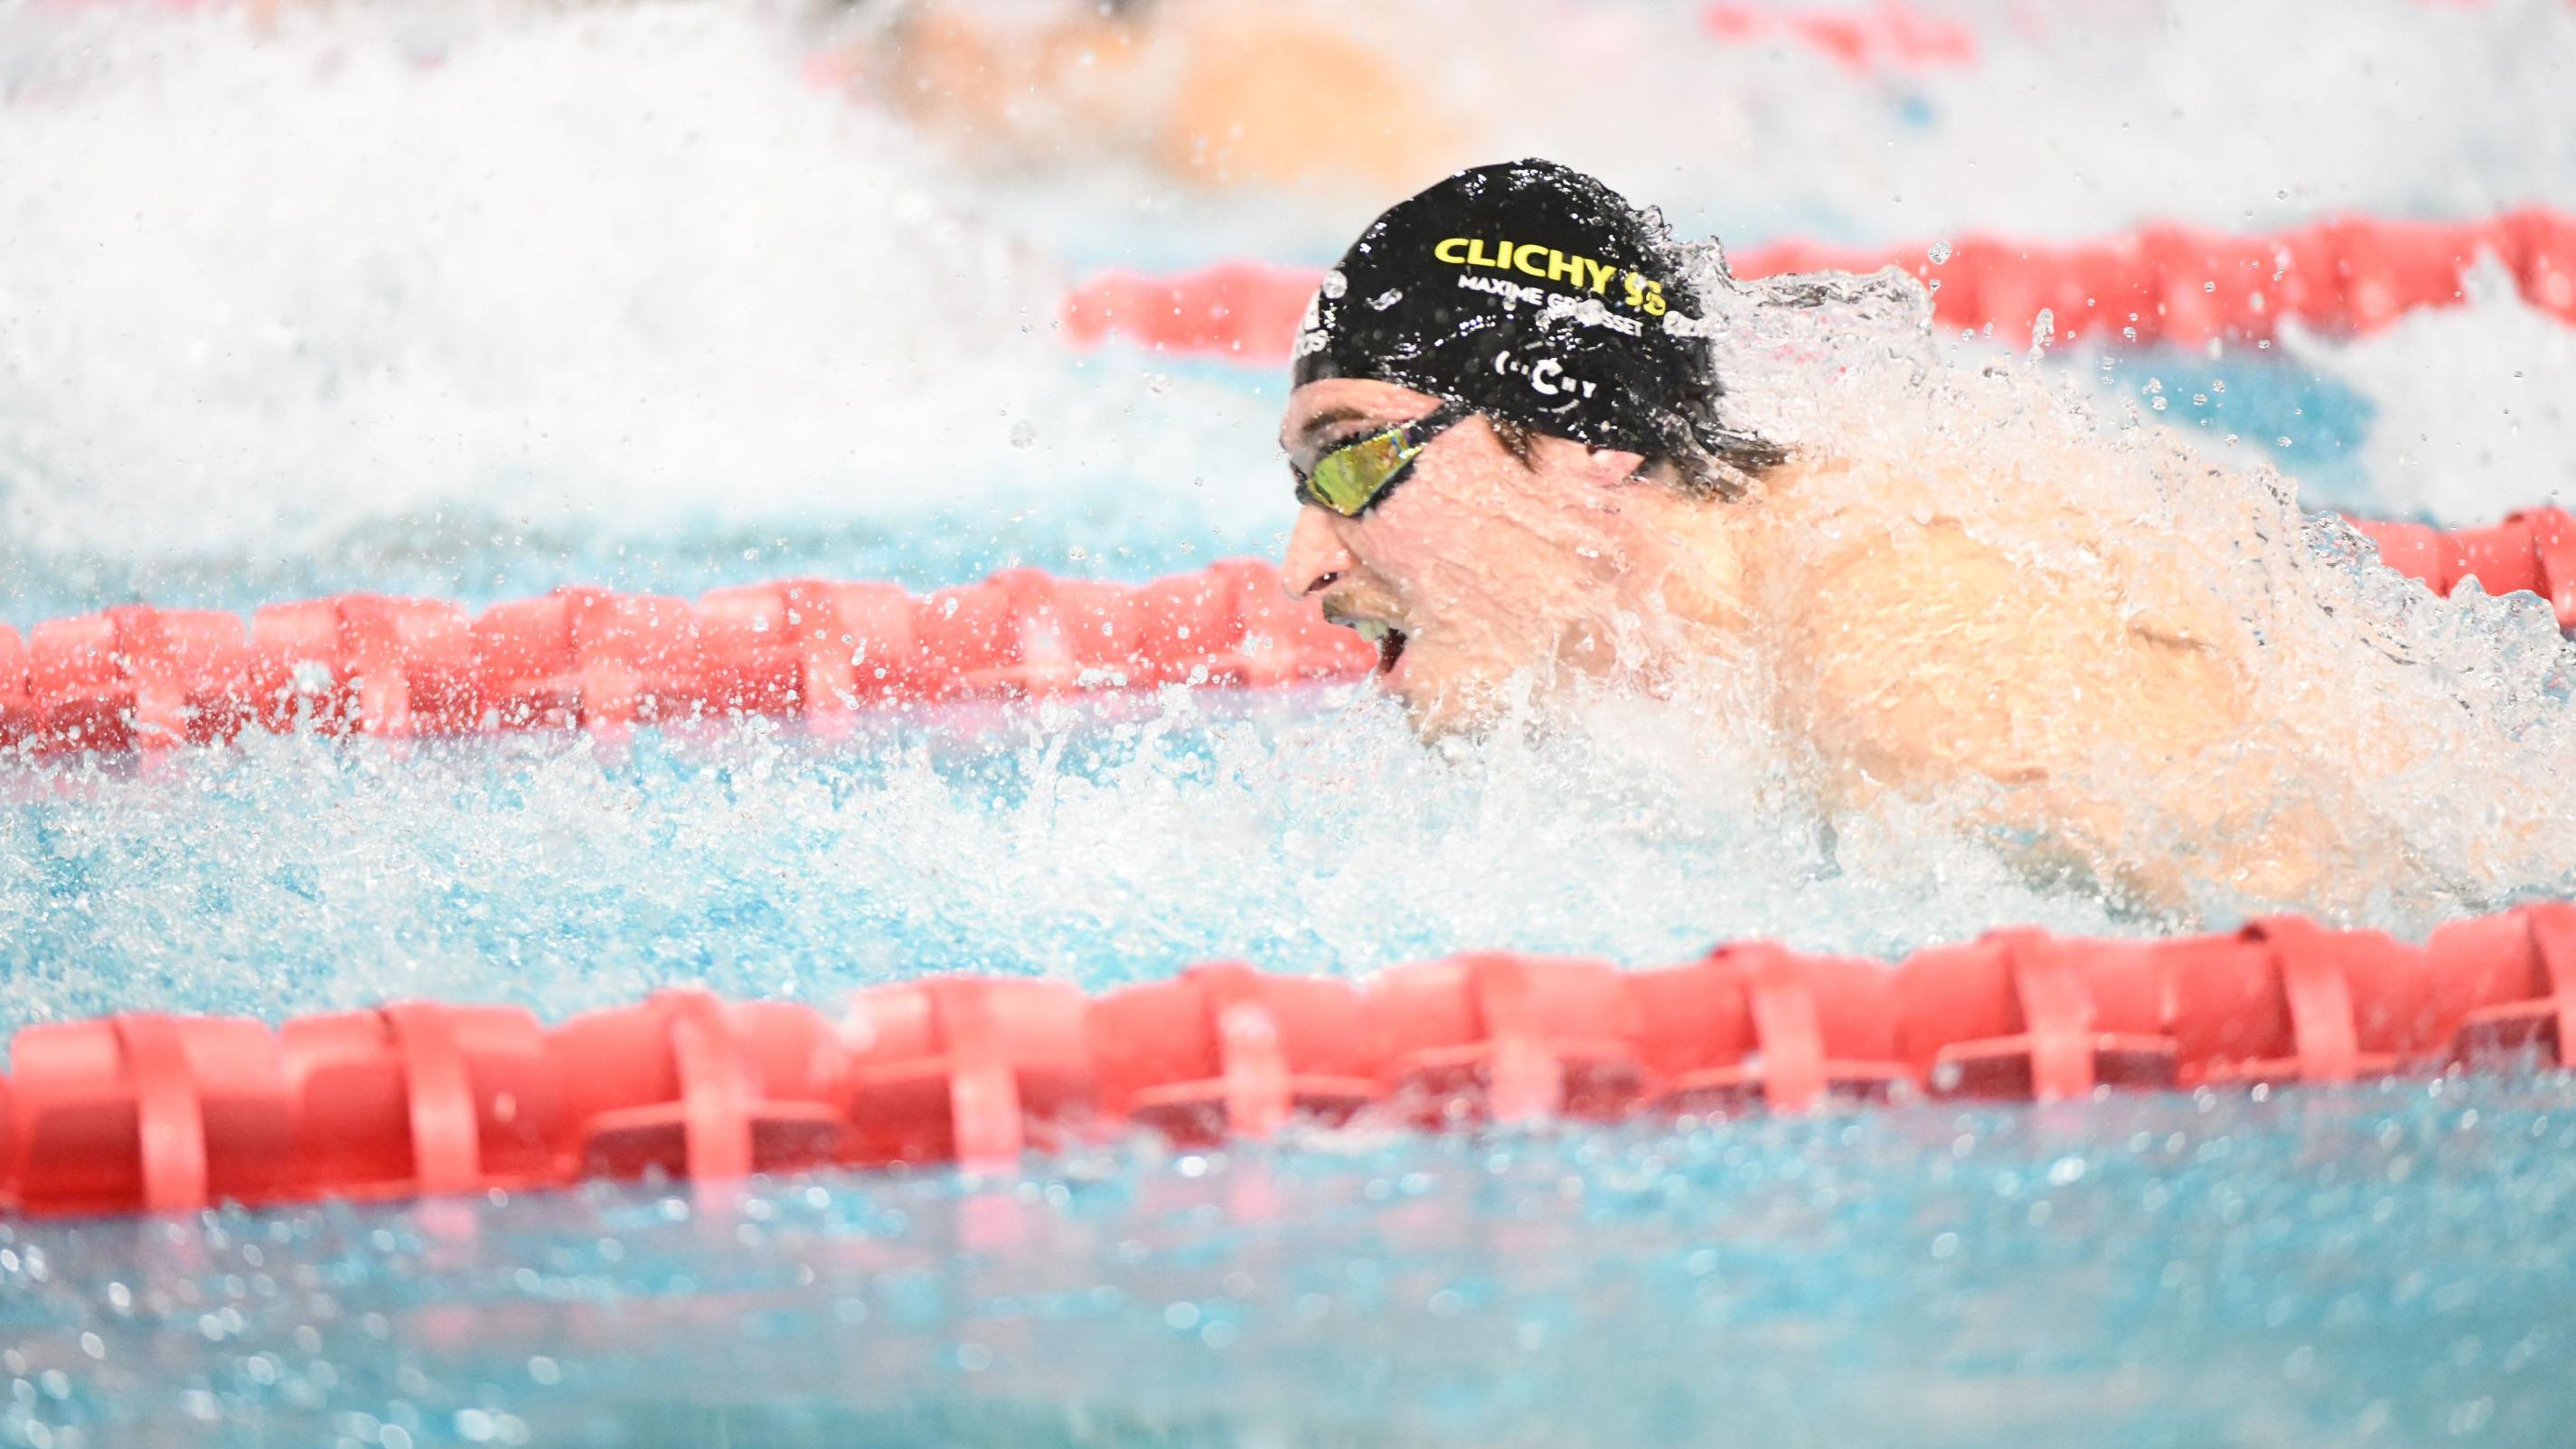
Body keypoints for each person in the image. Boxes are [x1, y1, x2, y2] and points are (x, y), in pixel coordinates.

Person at [1275, 158, 2407, 914]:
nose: (1303, 566)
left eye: (1355, 456)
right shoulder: (1717, 681)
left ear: (1589, 436)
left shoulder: (1903, 646)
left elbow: (2354, 951)